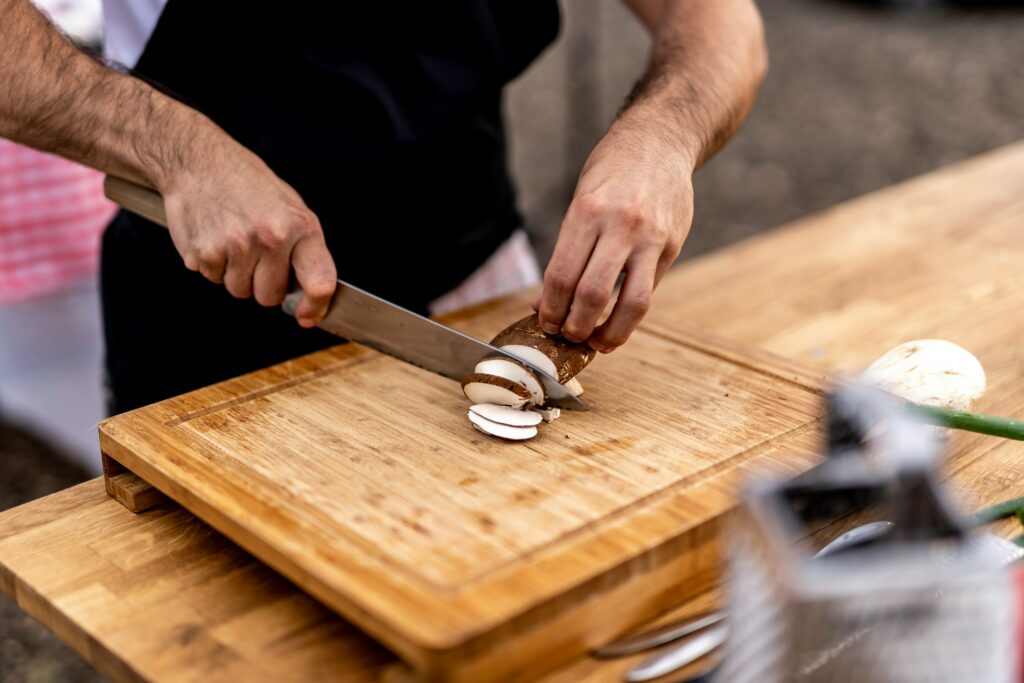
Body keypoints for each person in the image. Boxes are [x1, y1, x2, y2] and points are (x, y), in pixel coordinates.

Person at [0, 0, 766, 413]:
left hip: (479, 268)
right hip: (213, 307)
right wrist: (177, 150)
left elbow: (717, 18)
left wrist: (662, 136)